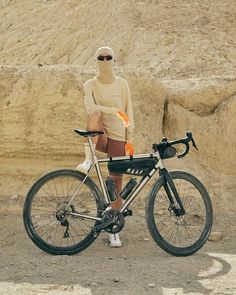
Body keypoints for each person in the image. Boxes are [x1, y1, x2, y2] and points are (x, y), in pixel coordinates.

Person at [77, 46, 135, 247]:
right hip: (99, 135)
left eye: (108, 57)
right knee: (95, 115)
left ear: (113, 60)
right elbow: (90, 108)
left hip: (119, 136)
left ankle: (113, 229)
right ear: (96, 60)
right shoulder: (90, 84)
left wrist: (130, 140)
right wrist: (112, 110)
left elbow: (129, 114)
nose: (104, 60)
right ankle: (88, 159)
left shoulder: (122, 84)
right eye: (100, 57)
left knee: (115, 182)